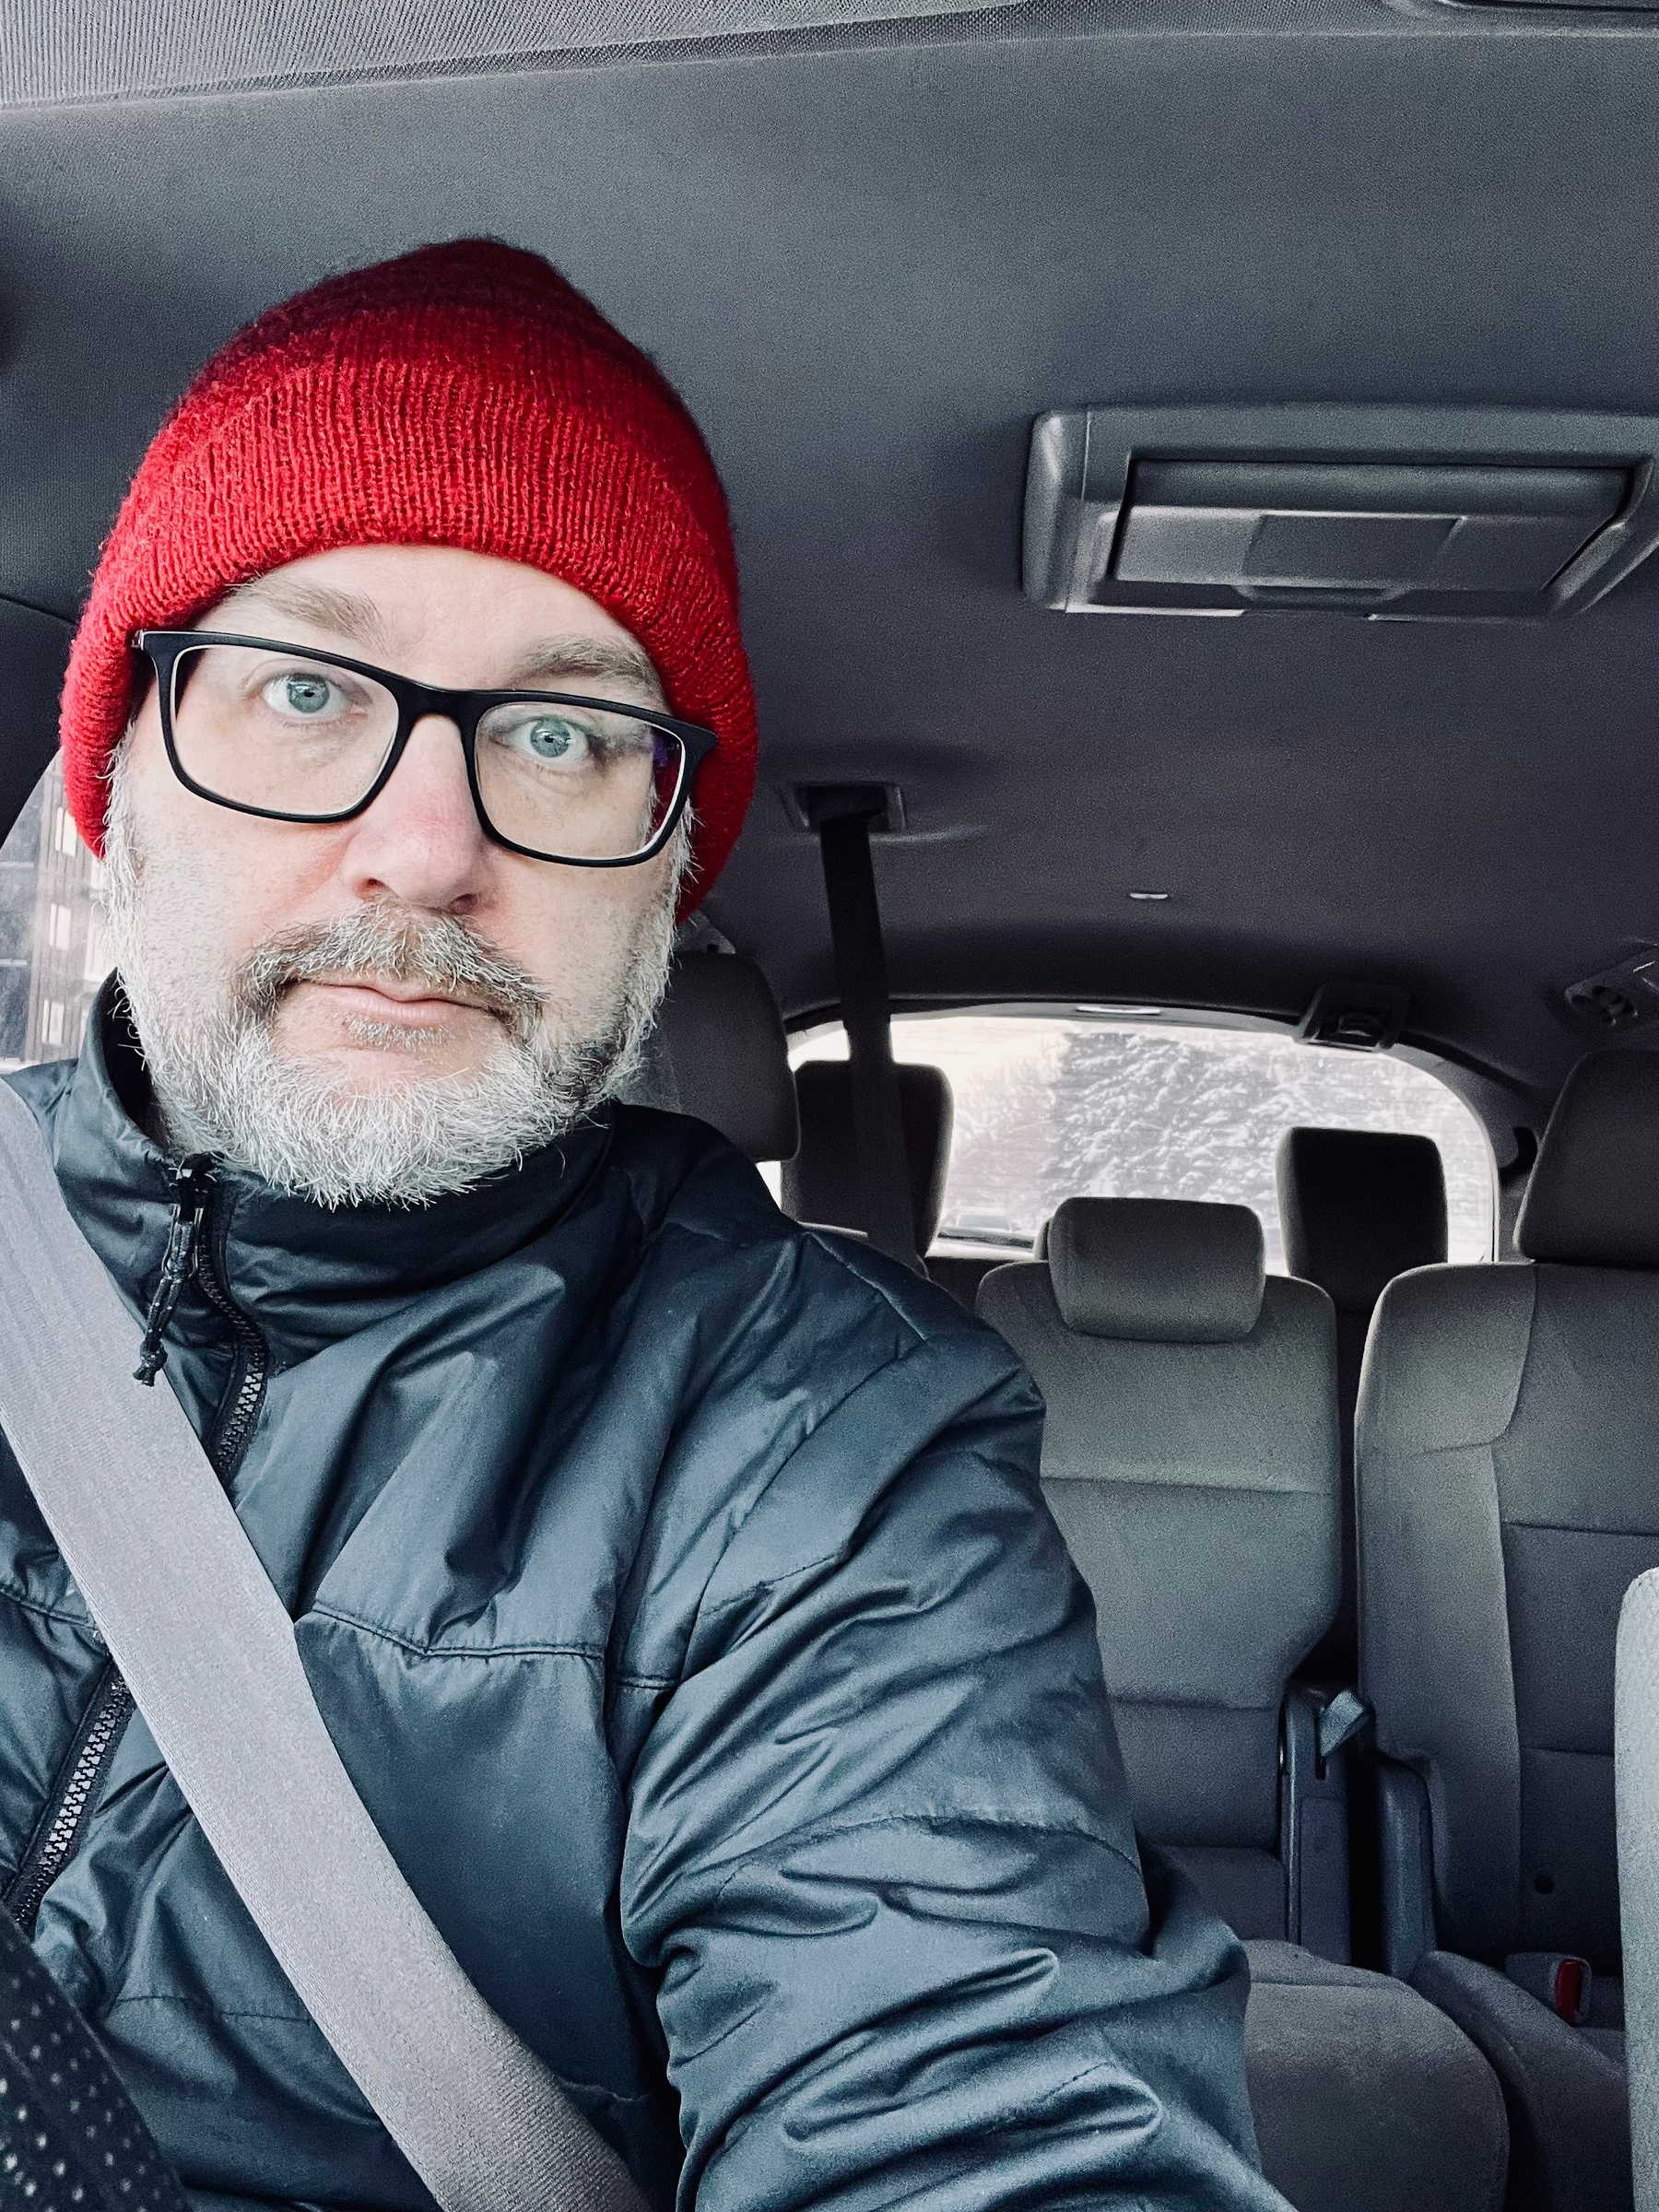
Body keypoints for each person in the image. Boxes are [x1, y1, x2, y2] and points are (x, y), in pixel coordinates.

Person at [0, 239, 1280, 2212]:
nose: (426, 848)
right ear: (115, 782)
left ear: (669, 872)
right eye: (302, 690)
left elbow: (985, 2120)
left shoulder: (822, 1446)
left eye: (562, 736)